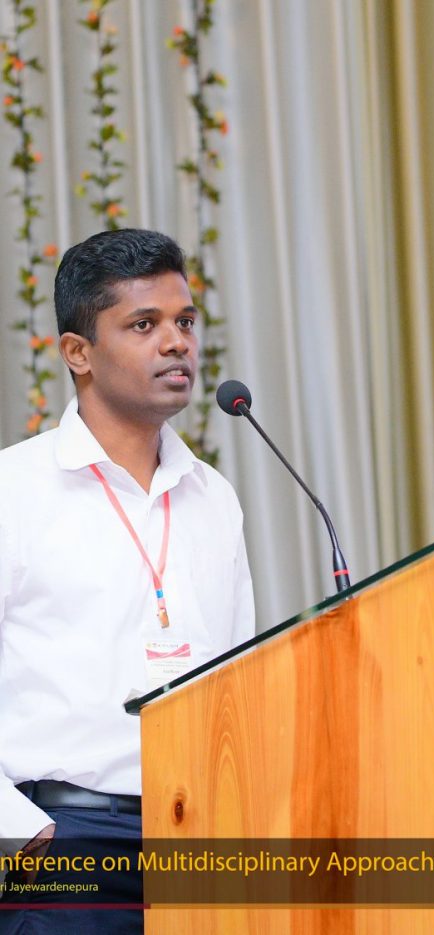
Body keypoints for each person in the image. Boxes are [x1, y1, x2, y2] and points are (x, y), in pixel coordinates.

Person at [0, 229, 255, 933]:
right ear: (77, 352)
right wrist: (21, 835)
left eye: (185, 321)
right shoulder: (13, 491)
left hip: (199, 846)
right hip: (63, 845)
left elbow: (239, 683)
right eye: (144, 325)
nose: (176, 343)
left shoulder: (214, 498)